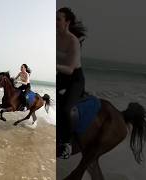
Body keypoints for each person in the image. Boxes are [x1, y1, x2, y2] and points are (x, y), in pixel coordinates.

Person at [57, 7, 86, 159]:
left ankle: (67, 144)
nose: (55, 22)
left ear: (67, 22)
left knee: (66, 108)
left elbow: (69, 69)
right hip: (61, 76)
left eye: (58, 19)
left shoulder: (73, 41)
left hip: (75, 78)